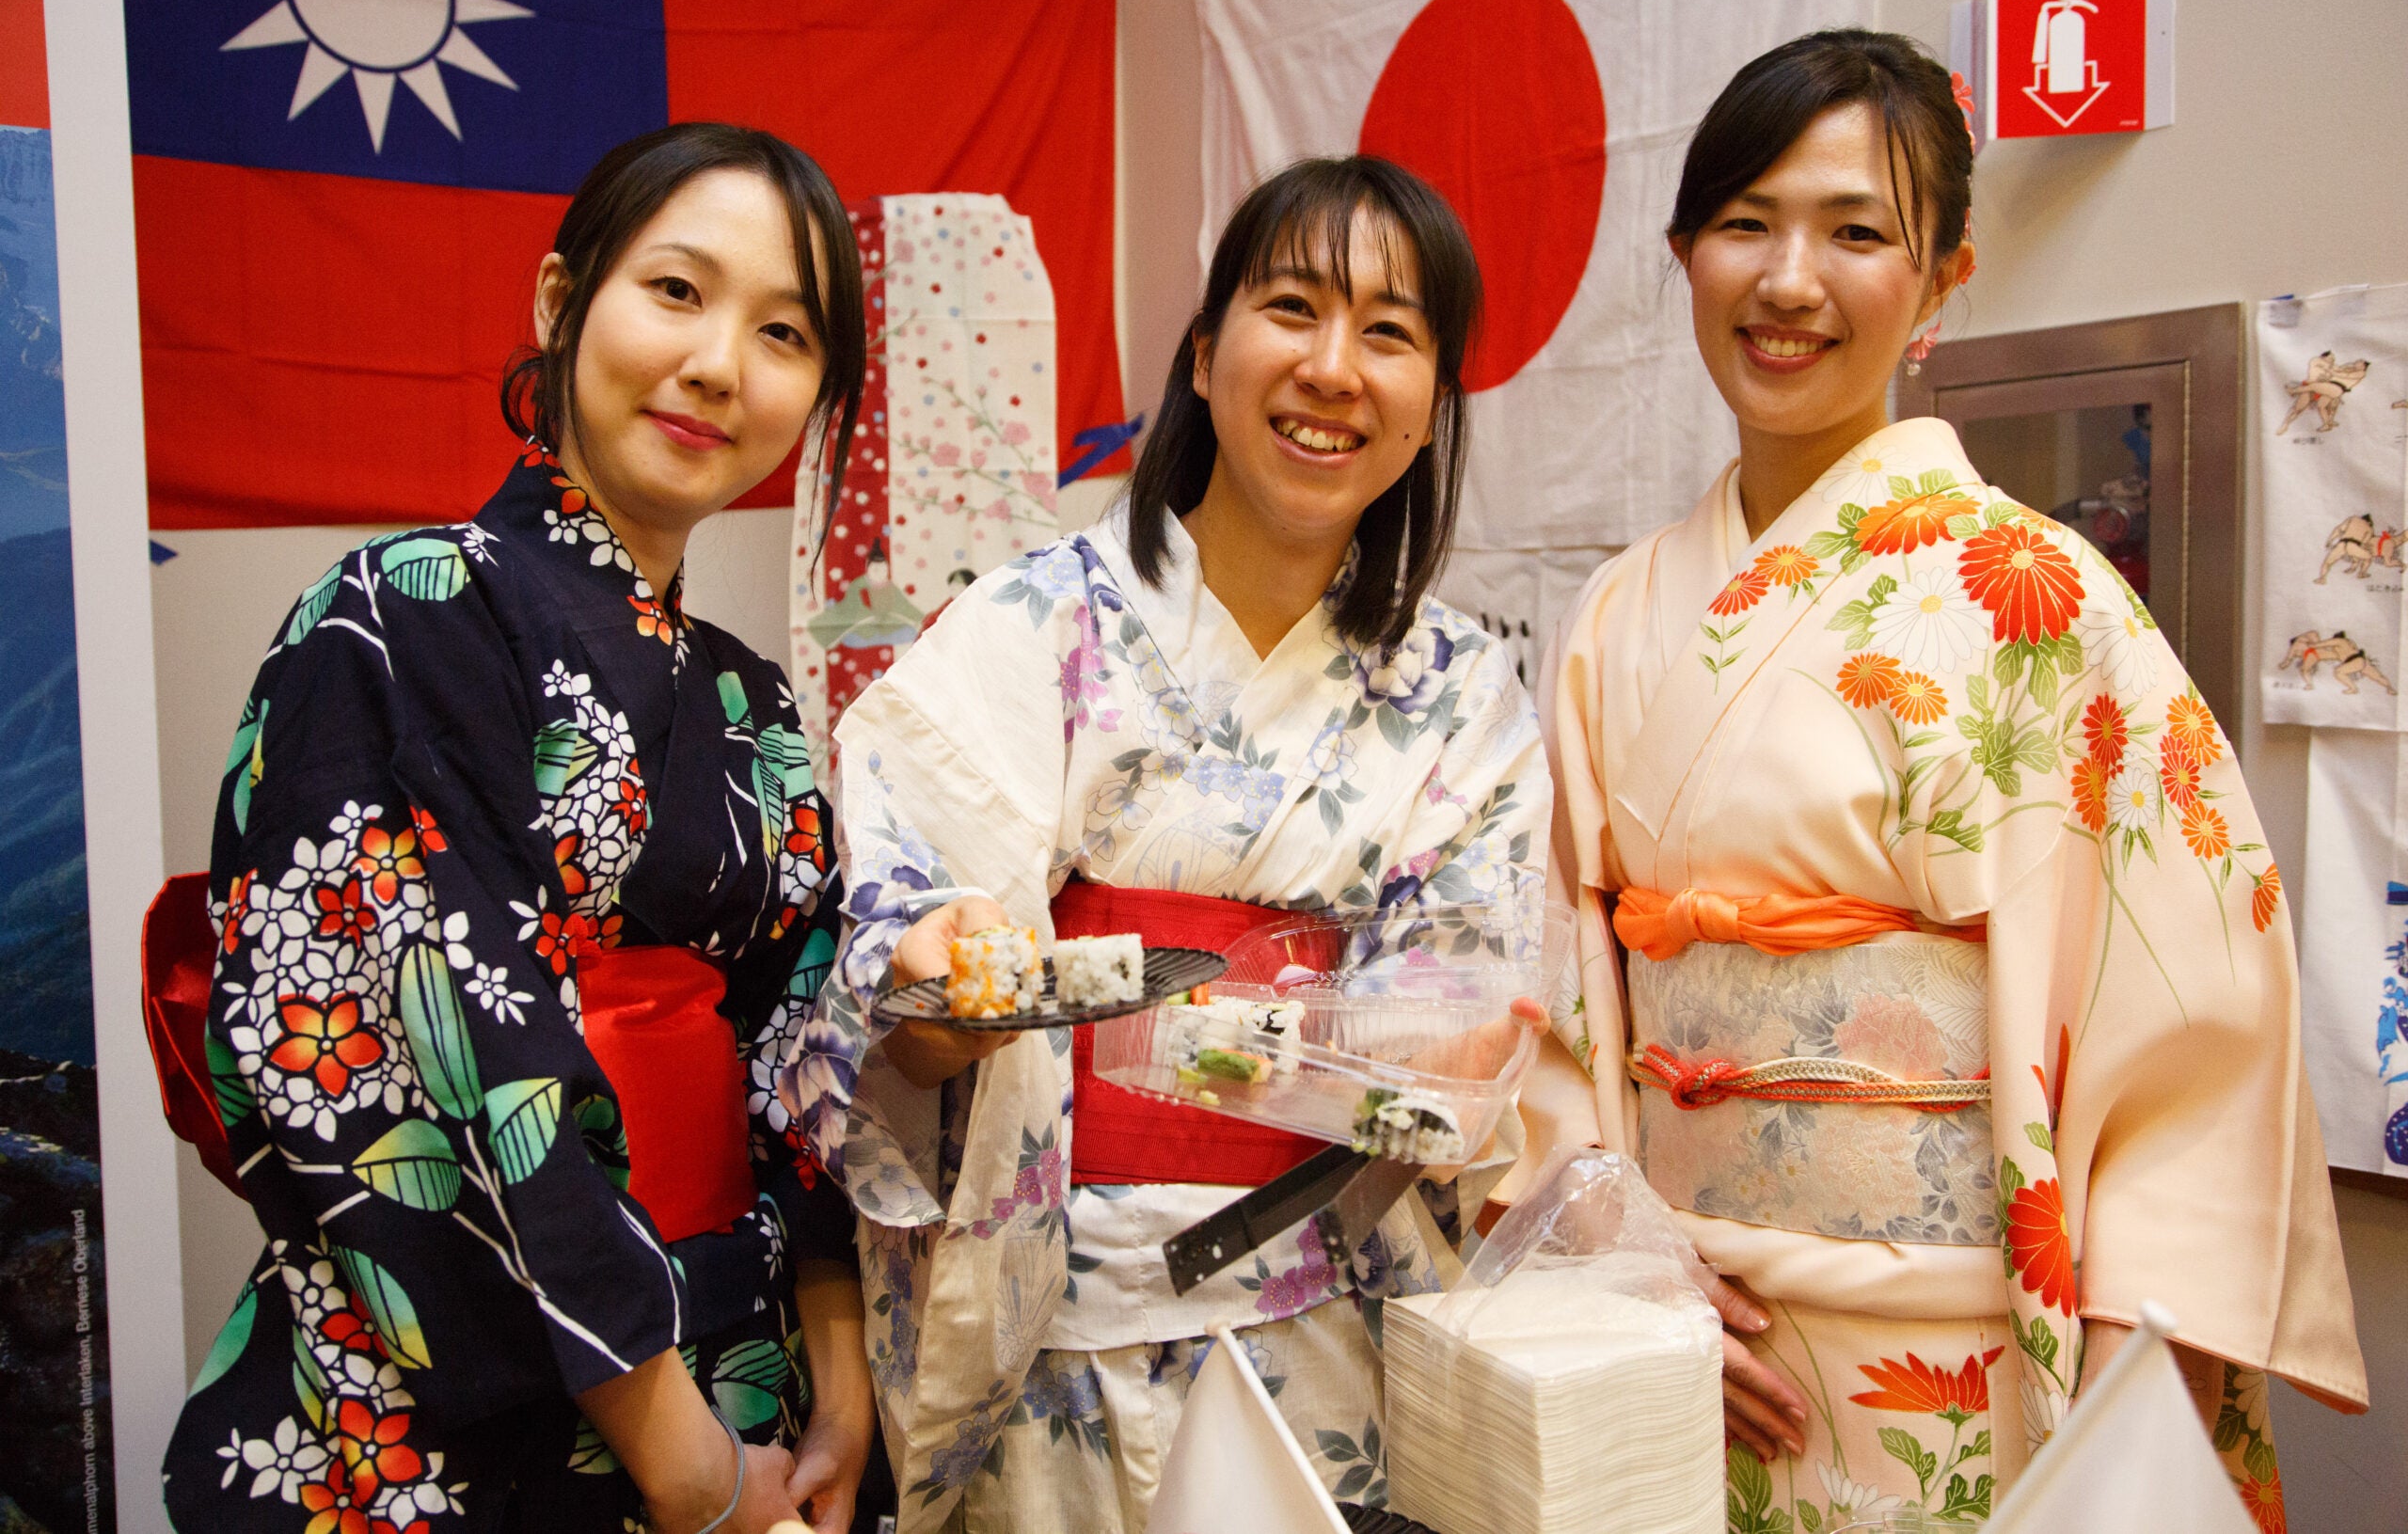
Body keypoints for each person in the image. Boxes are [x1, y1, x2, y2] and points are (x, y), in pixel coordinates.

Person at [1538, 29, 2367, 1530]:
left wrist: (2144, 1376)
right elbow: (1556, 986)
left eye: (1857, 233)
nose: (1791, 280)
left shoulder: (2040, 598)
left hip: (1961, 1351)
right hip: (1677, 1339)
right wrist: (1627, 1262)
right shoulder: (1616, 615)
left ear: (1941, 281)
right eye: (1747, 224)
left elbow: (2196, 1020)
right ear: (1685, 257)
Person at [787, 157, 1566, 1531]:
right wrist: (933, 997)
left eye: (1389, 333)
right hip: (1047, 1327)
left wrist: (1343, 1044)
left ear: (1433, 407)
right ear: (1205, 356)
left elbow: (1461, 1026)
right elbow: (897, 967)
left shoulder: (1462, 695)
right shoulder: (1026, 627)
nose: (1333, 369)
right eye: (1293, 309)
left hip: (1326, 1326)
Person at [163, 123, 886, 1534]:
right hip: (463, 1405)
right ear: (561, 302)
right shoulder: (396, 614)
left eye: (784, 332)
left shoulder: (751, 701)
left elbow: (803, 1052)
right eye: (676, 291)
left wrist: (841, 1390)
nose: (719, 366)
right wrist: (686, 1466)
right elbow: (438, 1055)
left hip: (746, 1378)